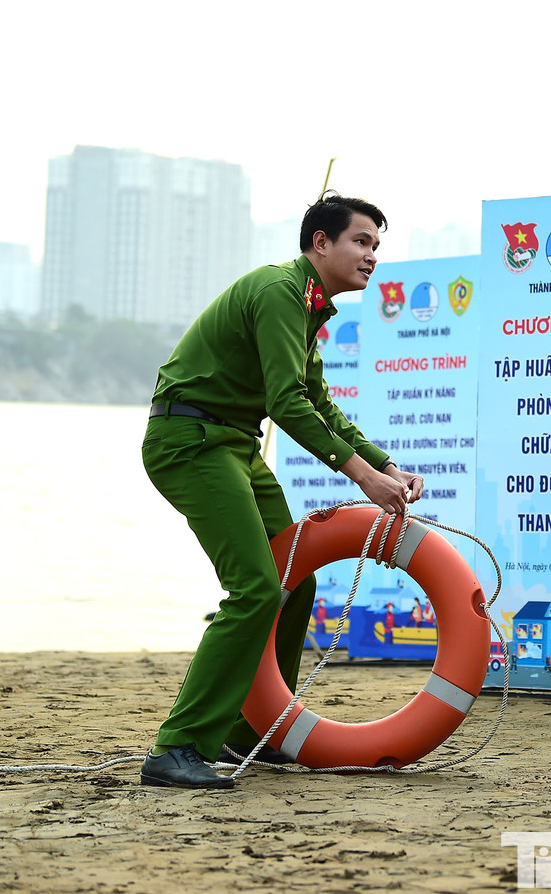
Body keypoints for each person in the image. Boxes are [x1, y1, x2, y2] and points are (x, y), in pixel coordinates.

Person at [140, 194, 423, 789]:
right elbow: (287, 403)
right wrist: (363, 478)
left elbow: (320, 404)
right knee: (255, 588)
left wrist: (386, 465)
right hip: (191, 440)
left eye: (376, 246)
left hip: (235, 445)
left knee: (296, 582)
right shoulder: (279, 292)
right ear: (321, 242)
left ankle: (252, 732)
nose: (372, 256)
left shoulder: (310, 309)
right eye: (361, 241)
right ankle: (178, 746)